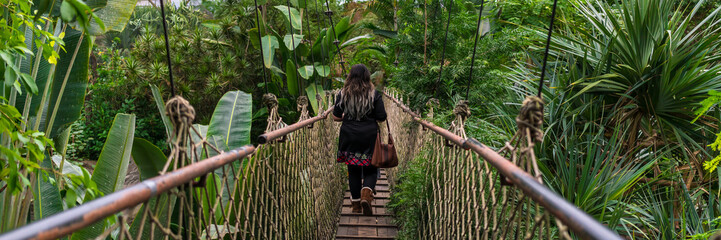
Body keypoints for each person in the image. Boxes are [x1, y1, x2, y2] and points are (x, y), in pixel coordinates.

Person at [333, 64, 387, 216]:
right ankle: (366, 194)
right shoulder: (374, 94)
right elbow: (382, 117)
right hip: (369, 135)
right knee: (371, 167)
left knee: (353, 170)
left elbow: (336, 116)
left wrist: (348, 116)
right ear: (367, 77)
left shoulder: (343, 93)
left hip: (349, 135)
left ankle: (356, 204)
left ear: (350, 76)